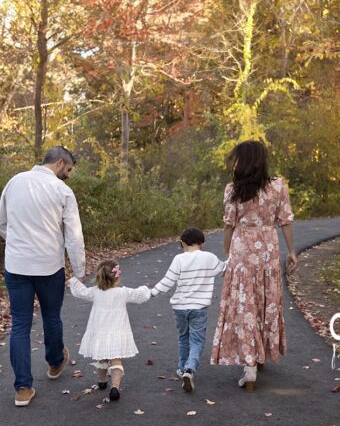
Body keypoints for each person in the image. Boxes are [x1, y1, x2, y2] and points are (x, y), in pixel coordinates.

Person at [0, 146, 85, 407]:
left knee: (20, 324)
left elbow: (0, 223)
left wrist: (17, 244)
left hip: (17, 266)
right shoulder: (62, 191)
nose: (68, 175)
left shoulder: (15, 182)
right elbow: (74, 236)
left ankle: (23, 389)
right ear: (59, 163)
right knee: (51, 316)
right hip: (48, 266)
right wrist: (79, 271)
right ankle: (55, 363)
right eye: (68, 170)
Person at [210, 140, 298, 392]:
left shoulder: (233, 190)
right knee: (265, 301)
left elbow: (229, 224)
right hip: (268, 250)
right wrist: (291, 251)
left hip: (242, 250)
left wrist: (228, 252)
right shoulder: (278, 186)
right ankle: (260, 355)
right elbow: (286, 221)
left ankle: (249, 364)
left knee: (244, 305)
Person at [150, 227, 226, 392]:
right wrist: (234, 256)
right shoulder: (209, 257)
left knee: (183, 337)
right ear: (202, 243)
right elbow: (224, 270)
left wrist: (152, 292)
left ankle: (182, 368)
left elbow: (168, 281)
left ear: (182, 243)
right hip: (199, 308)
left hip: (180, 307)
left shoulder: (179, 259)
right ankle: (190, 368)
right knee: (197, 340)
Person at [68, 260, 151, 402]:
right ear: (117, 276)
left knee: (102, 357)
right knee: (116, 359)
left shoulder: (95, 292)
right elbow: (139, 295)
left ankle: (101, 380)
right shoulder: (123, 292)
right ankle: (115, 387)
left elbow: (81, 292)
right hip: (118, 332)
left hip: (100, 332)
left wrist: (73, 281)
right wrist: (146, 289)